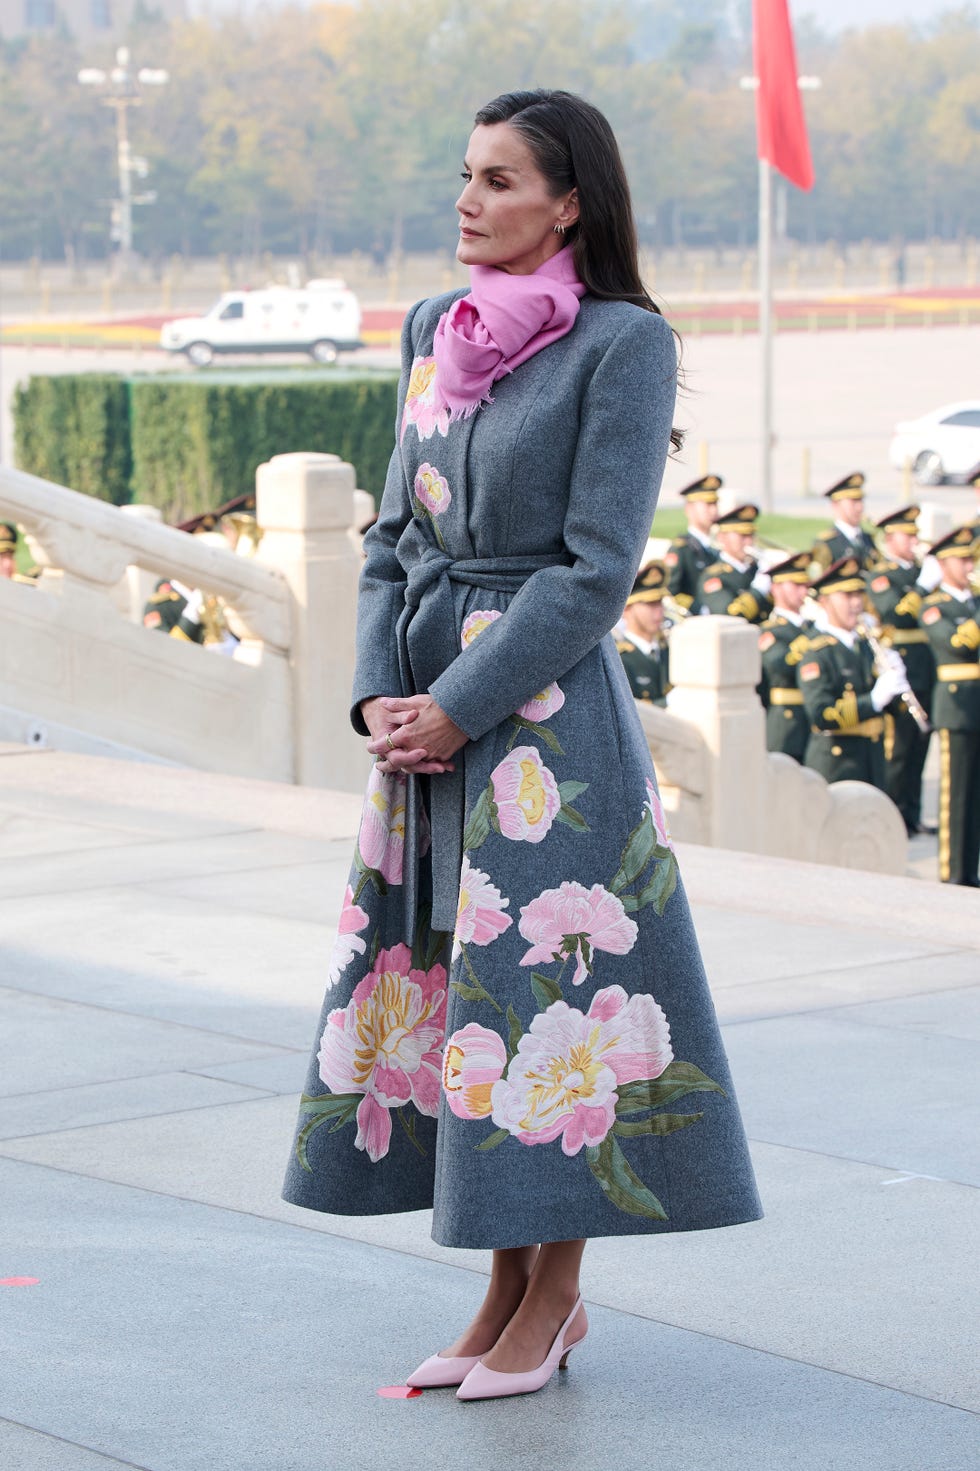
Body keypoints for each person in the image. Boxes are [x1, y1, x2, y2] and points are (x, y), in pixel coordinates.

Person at [281, 88, 760, 1402]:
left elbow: (594, 571)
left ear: (570, 204)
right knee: (455, 990)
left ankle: (553, 1295)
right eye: (464, 174)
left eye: (499, 179)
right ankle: (501, 1278)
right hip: (428, 717)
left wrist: (465, 699)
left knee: (549, 996)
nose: (469, 199)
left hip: (545, 724)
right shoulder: (435, 326)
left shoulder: (624, 343)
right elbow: (392, 536)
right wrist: (384, 691)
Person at [798, 556, 908, 788]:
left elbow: (887, 709)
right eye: (847, 596)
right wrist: (874, 700)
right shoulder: (816, 651)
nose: (856, 603)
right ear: (825, 601)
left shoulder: (865, 644)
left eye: (859, 595)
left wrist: (895, 686)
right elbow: (822, 714)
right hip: (838, 763)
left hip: (872, 759)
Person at [865, 506, 938, 836]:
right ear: (890, 538)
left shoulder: (921, 570)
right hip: (903, 667)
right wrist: (923, 587)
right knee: (900, 748)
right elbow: (895, 613)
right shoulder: (884, 575)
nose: (914, 541)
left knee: (921, 748)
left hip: (927, 665)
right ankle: (894, 817)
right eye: (907, 536)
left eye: (914, 534)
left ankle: (912, 813)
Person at [920, 526, 980, 886]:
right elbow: (957, 642)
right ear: (943, 563)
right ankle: (952, 871)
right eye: (962, 558)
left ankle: (970, 871)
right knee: (955, 797)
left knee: (975, 798)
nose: (969, 564)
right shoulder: (933, 606)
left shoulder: (975, 602)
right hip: (956, 709)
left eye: (971, 558)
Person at [756, 551, 814, 762]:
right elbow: (780, 665)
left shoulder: (812, 627)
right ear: (776, 588)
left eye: (804, 584)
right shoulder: (769, 631)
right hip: (787, 724)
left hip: (812, 722)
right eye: (795, 584)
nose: (803, 590)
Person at [696, 503, 772, 622]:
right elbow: (729, 615)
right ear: (722, 537)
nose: (748, 541)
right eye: (742, 536)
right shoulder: (712, 577)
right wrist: (759, 589)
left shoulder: (756, 569)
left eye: (750, 535)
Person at [615, 561, 670, 705]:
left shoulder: (668, 650)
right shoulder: (620, 659)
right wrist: (669, 702)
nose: (659, 611)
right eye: (650, 604)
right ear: (626, 608)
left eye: (659, 603)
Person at [664, 474, 721, 610]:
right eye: (707, 504)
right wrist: (698, 607)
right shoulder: (681, 549)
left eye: (715, 504)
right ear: (689, 509)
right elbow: (670, 592)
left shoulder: (718, 547)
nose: (713, 510)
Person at [811, 472, 877, 572]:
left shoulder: (868, 539)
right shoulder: (827, 544)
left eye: (860, 500)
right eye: (853, 502)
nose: (860, 507)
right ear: (836, 504)